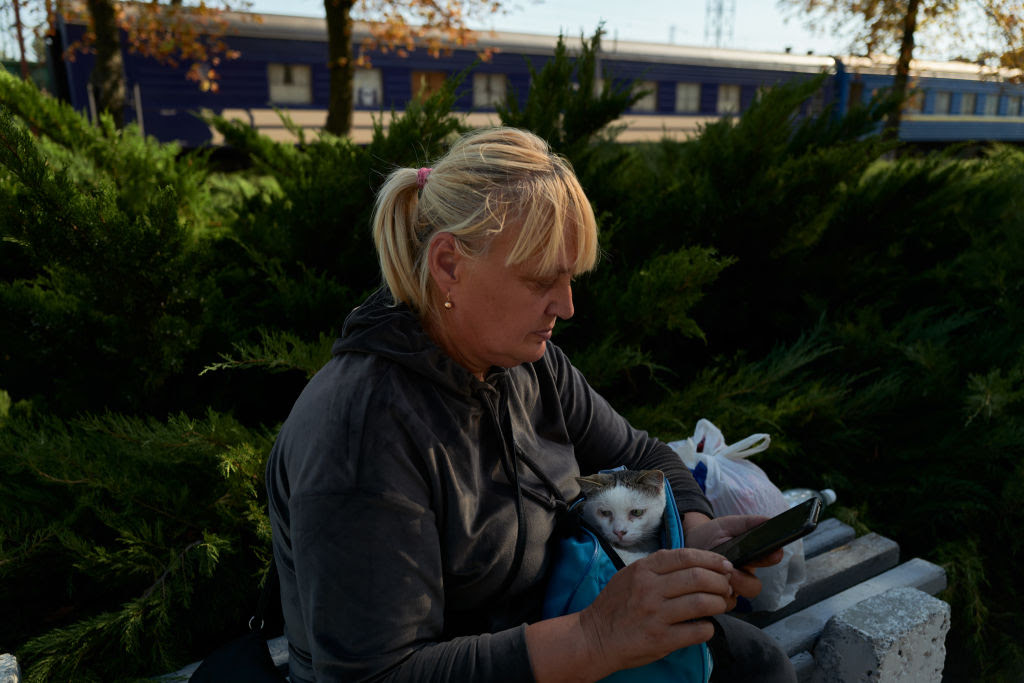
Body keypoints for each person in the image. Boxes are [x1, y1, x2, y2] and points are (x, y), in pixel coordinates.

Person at [265, 127, 796, 682]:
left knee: (760, 665)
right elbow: (374, 676)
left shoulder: (524, 364)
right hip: (528, 653)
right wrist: (595, 635)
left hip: (559, 626)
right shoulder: (362, 433)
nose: (565, 306)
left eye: (570, 277)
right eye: (542, 278)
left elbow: (642, 456)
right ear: (449, 264)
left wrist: (696, 532)